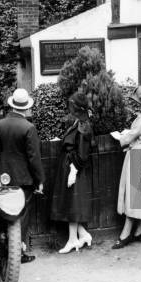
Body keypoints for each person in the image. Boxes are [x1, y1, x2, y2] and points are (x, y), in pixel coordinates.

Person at [0, 88, 46, 263]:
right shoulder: (28, 127)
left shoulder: (0, 124)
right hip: (24, 180)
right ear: (26, 107)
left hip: (6, 177)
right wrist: (39, 180)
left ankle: (2, 250)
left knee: (5, 210)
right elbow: (34, 158)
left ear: (12, 105)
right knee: (22, 215)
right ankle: (19, 252)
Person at [112, 85, 141, 249]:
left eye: (137, 102)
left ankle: (125, 234)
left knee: (134, 194)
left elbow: (133, 134)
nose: (136, 104)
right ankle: (140, 230)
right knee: (140, 192)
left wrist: (121, 137)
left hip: (138, 156)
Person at [50, 92, 94, 254]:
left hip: (74, 168)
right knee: (70, 204)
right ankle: (83, 235)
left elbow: (82, 154)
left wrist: (73, 172)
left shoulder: (84, 125)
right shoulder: (79, 122)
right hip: (69, 166)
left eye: (72, 105)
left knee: (72, 206)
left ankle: (72, 240)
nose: (70, 108)